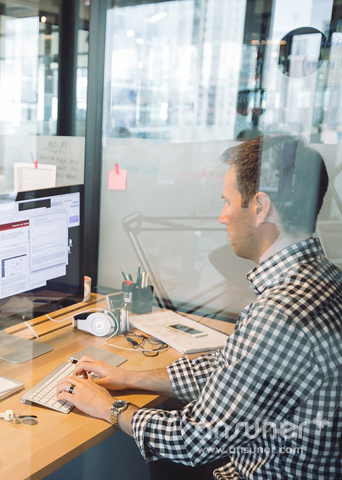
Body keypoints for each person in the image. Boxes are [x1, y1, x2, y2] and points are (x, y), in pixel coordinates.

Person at [55, 136, 342, 479]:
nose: (222, 217)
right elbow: (232, 370)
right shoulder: (326, 278)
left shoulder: (279, 313)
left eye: (228, 202)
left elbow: (193, 441)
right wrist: (130, 377)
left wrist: (108, 407)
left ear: (260, 207)